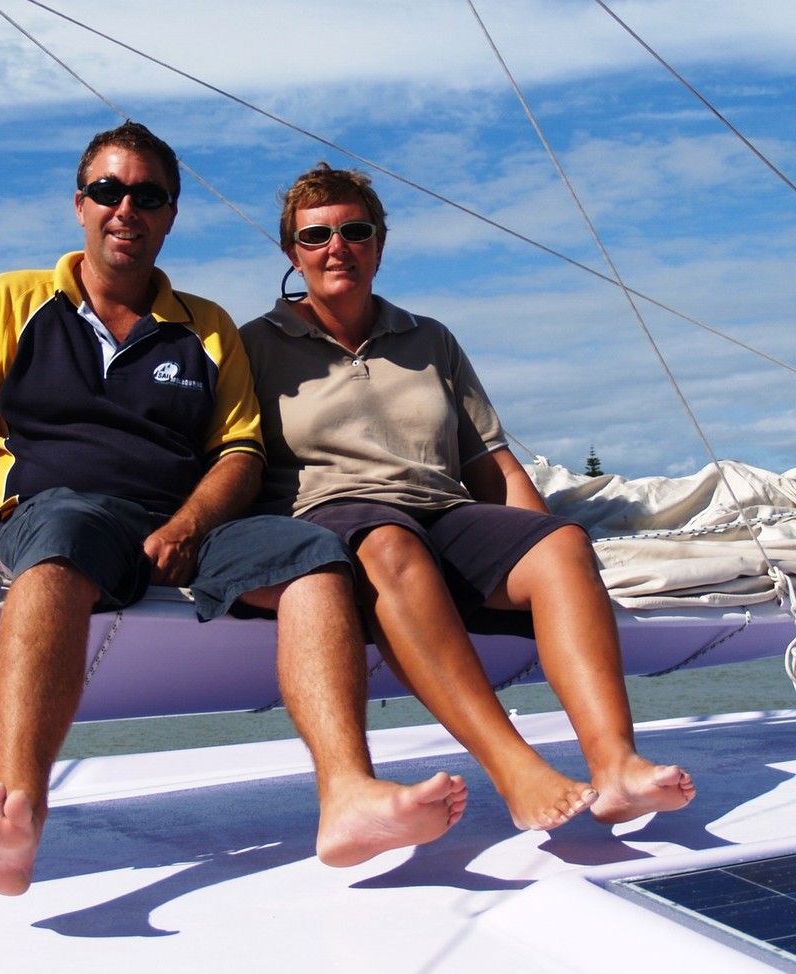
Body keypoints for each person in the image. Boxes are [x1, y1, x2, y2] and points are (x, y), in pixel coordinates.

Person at [0, 126, 467, 895]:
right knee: (64, 540)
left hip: (183, 525)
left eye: (148, 195)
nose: (125, 209)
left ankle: (347, 794)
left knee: (315, 558)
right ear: (80, 204)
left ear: (170, 215)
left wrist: (189, 524)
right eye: (108, 191)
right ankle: (20, 815)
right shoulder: (10, 303)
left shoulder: (206, 328)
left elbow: (239, 454)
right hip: (59, 510)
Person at [240, 162, 696, 832]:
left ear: (378, 244)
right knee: (391, 542)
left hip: (443, 511)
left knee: (561, 545)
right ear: (292, 253)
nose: (336, 246)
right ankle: (516, 771)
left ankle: (617, 766)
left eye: (354, 230)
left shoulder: (429, 340)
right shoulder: (253, 346)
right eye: (316, 236)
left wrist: (548, 548)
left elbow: (492, 462)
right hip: (336, 514)